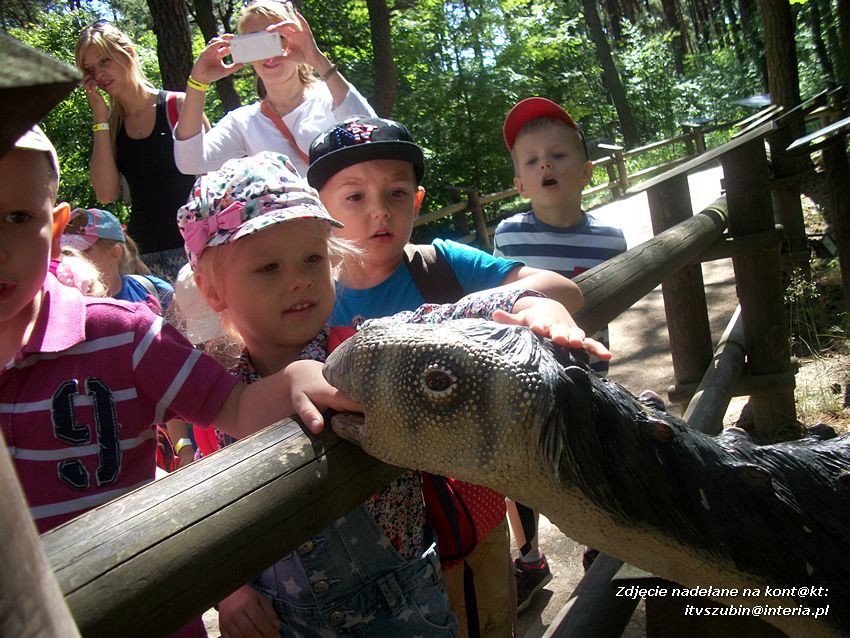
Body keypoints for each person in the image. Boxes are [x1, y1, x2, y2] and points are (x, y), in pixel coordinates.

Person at [307, 116, 610, 638]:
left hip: (475, 506)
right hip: (378, 543)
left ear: (417, 199)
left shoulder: (440, 265)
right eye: (354, 197)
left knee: (488, 616)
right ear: (321, 210)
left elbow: (562, 288)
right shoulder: (309, 298)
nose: (380, 210)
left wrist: (510, 305)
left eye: (396, 192)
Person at [0, 126, 358, 538]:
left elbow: (238, 408)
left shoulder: (125, 335)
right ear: (211, 290)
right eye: (268, 267)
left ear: (55, 230)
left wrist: (295, 377)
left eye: (16, 217)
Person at [493, 96, 628, 609]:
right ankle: (529, 557)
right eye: (531, 161)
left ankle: (599, 541)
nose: (545, 165)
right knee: (519, 468)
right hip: (523, 375)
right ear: (520, 183)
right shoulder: (510, 235)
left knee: (590, 456)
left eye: (558, 155)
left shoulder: (611, 240)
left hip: (588, 375)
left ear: (587, 171)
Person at [174, 0, 376, 179]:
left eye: (278, 39)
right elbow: (191, 163)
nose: (269, 55)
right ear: (242, 50)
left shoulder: (332, 97)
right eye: (256, 43)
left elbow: (373, 135)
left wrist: (317, 59)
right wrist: (198, 83)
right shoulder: (244, 122)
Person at [75, 20, 202, 280]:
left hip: (198, 248)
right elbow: (105, 193)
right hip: (145, 260)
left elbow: (214, 178)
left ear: (129, 53)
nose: (99, 74)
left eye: (105, 61)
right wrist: (99, 116)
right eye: (90, 69)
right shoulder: (110, 126)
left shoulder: (178, 106)